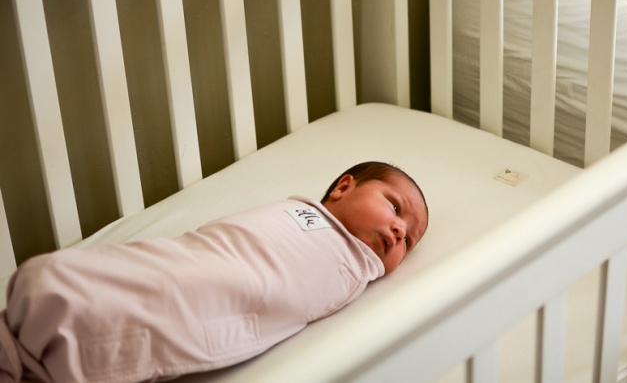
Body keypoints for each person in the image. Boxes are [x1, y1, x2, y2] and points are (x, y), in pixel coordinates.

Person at [0, 161, 428, 383]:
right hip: (180, 266)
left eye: (408, 240)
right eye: (394, 207)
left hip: (188, 304)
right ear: (342, 187)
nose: (399, 230)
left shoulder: (357, 265)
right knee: (141, 282)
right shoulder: (300, 213)